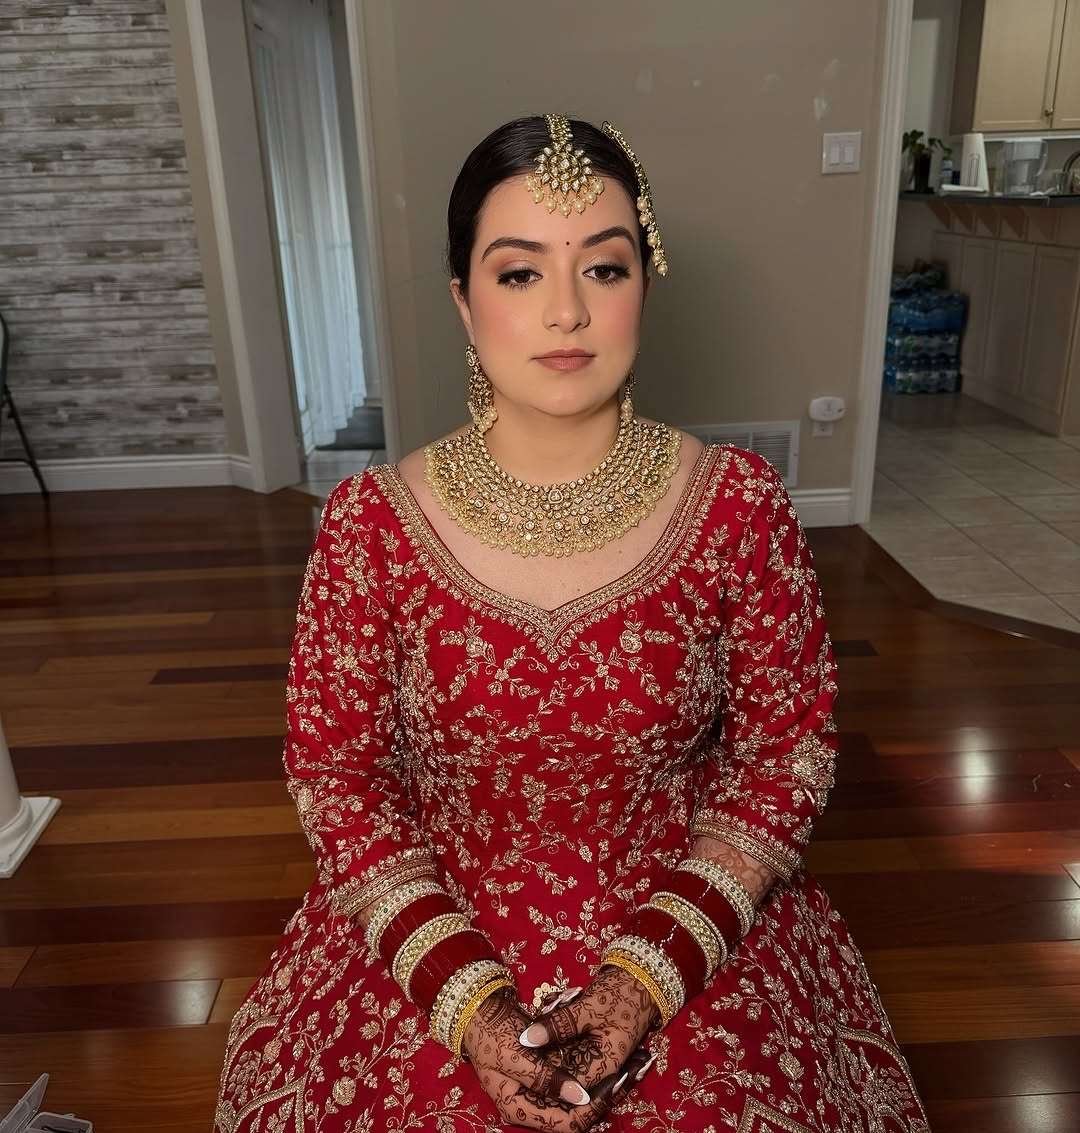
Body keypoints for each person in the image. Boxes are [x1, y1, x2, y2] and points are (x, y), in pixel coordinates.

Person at [212, 114, 931, 1133]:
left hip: (689, 914)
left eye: (604, 267)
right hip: (435, 923)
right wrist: (472, 1008)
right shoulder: (372, 525)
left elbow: (785, 757)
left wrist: (642, 980)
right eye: (519, 273)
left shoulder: (737, 507)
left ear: (645, 287)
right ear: (463, 303)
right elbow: (339, 778)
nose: (566, 310)